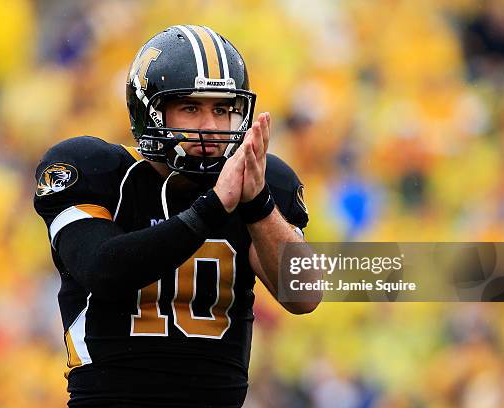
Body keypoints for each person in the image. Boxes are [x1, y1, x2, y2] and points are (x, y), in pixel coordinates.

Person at [34, 25, 318, 407]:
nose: (210, 127)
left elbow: (304, 295)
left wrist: (259, 203)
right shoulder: (99, 171)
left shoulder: (263, 180)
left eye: (222, 110)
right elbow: (102, 269)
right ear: (149, 111)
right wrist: (214, 207)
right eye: (190, 107)